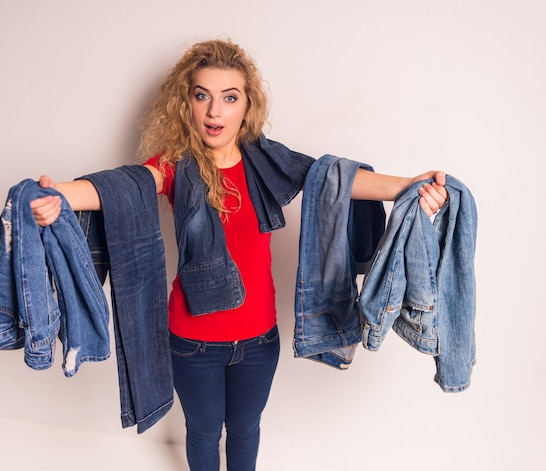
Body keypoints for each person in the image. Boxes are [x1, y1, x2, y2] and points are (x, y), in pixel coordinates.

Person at [31, 39, 448, 471]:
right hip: (192, 342)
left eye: (229, 98)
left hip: (259, 340)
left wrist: (409, 185)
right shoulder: (175, 164)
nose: (215, 112)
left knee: (247, 430)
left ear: (247, 105)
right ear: (186, 103)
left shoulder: (266, 163)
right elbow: (124, 186)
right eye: (202, 96)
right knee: (204, 432)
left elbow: (336, 180)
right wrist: (59, 195)